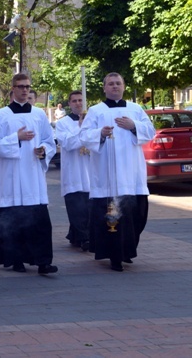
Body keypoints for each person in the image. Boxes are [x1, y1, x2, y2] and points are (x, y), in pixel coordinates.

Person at [79, 72, 155, 272]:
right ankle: (115, 256)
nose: (114, 86)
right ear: (104, 88)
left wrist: (133, 126)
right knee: (112, 217)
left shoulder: (135, 109)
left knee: (135, 216)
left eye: (118, 83)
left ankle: (127, 251)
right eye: (110, 84)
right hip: (108, 176)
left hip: (132, 175)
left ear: (124, 86)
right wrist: (100, 134)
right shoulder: (96, 111)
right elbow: (85, 136)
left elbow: (150, 131)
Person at [0, 73, 58, 275]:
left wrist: (44, 150)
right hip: (10, 175)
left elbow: (49, 139)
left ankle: (43, 262)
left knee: (39, 221)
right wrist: (16, 138)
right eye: (20, 86)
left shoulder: (38, 114)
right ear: (13, 89)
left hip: (33, 175)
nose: (25, 90)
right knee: (13, 219)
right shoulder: (1, 115)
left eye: (27, 86)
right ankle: (15, 259)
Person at [55, 91, 91, 251]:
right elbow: (68, 143)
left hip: (90, 171)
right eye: (74, 101)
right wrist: (81, 128)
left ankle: (76, 236)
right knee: (77, 208)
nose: (78, 103)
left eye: (81, 100)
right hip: (74, 171)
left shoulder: (93, 120)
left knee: (89, 208)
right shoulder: (63, 123)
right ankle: (84, 238)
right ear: (69, 104)